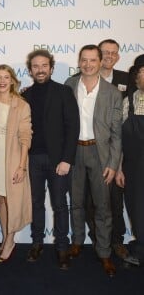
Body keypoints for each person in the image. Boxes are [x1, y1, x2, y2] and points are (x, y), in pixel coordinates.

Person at [65, 45, 122, 277]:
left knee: (103, 207)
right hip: (74, 152)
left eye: (92, 60)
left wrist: (113, 163)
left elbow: (117, 134)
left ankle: (104, 252)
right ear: (79, 62)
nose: (88, 64)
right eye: (84, 60)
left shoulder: (113, 93)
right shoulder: (69, 85)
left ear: (100, 62)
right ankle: (77, 241)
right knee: (76, 202)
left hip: (101, 155)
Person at [22, 50, 80, 270]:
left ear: (51, 68)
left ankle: (62, 248)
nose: (40, 70)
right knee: (36, 204)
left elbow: (72, 127)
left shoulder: (64, 91)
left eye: (44, 65)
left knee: (59, 206)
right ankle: (37, 243)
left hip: (58, 161)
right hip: (33, 160)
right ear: (30, 70)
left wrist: (67, 159)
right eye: (36, 66)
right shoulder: (25, 96)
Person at [85, 39, 129, 260]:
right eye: (105, 53)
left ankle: (117, 242)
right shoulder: (80, 81)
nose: (110, 56)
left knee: (115, 200)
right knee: (90, 202)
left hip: (116, 152)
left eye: (114, 53)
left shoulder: (126, 80)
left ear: (118, 57)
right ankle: (98, 241)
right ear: (99, 57)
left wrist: (118, 164)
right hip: (89, 152)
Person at [0, 64, 32, 262]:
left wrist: (22, 165)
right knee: (0, 199)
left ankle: (11, 239)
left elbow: (25, 137)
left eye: (6, 77)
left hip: (13, 158)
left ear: (13, 80)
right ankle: (5, 237)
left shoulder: (21, 105)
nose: (3, 81)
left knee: (12, 200)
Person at [116, 54, 144, 267]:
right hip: (133, 168)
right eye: (142, 72)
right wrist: (119, 168)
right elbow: (118, 138)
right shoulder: (128, 102)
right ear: (136, 77)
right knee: (136, 209)